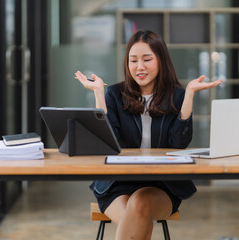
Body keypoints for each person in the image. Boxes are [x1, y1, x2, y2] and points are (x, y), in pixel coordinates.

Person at [75, 30, 221, 240]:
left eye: (147, 59)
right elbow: (108, 142)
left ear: (161, 60)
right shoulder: (115, 94)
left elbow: (178, 144)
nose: (139, 67)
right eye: (133, 60)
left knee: (140, 204)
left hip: (162, 184)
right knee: (137, 219)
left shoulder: (176, 96)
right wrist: (99, 94)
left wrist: (188, 95)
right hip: (118, 183)